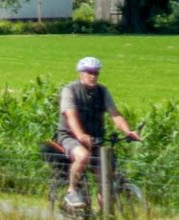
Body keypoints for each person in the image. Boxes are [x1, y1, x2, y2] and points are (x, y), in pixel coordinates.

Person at [57, 56, 141, 209]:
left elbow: (114, 113)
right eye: (89, 72)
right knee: (83, 156)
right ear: (80, 73)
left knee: (106, 177)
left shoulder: (102, 91)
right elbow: (70, 115)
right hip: (69, 136)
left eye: (96, 73)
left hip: (95, 138)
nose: (93, 76)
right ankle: (72, 190)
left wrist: (128, 131)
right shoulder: (70, 90)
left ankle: (102, 217)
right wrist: (80, 135)